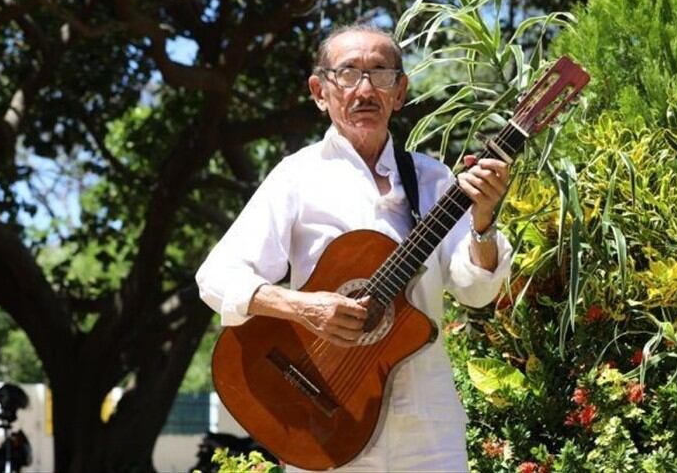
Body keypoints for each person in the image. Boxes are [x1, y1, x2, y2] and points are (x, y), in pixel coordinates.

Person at [195, 24, 513, 472]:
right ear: (320, 90)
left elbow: (475, 291)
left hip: (426, 424)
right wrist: (304, 307)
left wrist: (483, 222)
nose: (364, 90)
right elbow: (217, 277)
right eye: (347, 74)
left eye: (380, 74)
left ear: (399, 92)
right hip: (324, 421)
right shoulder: (295, 177)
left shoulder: (434, 180)